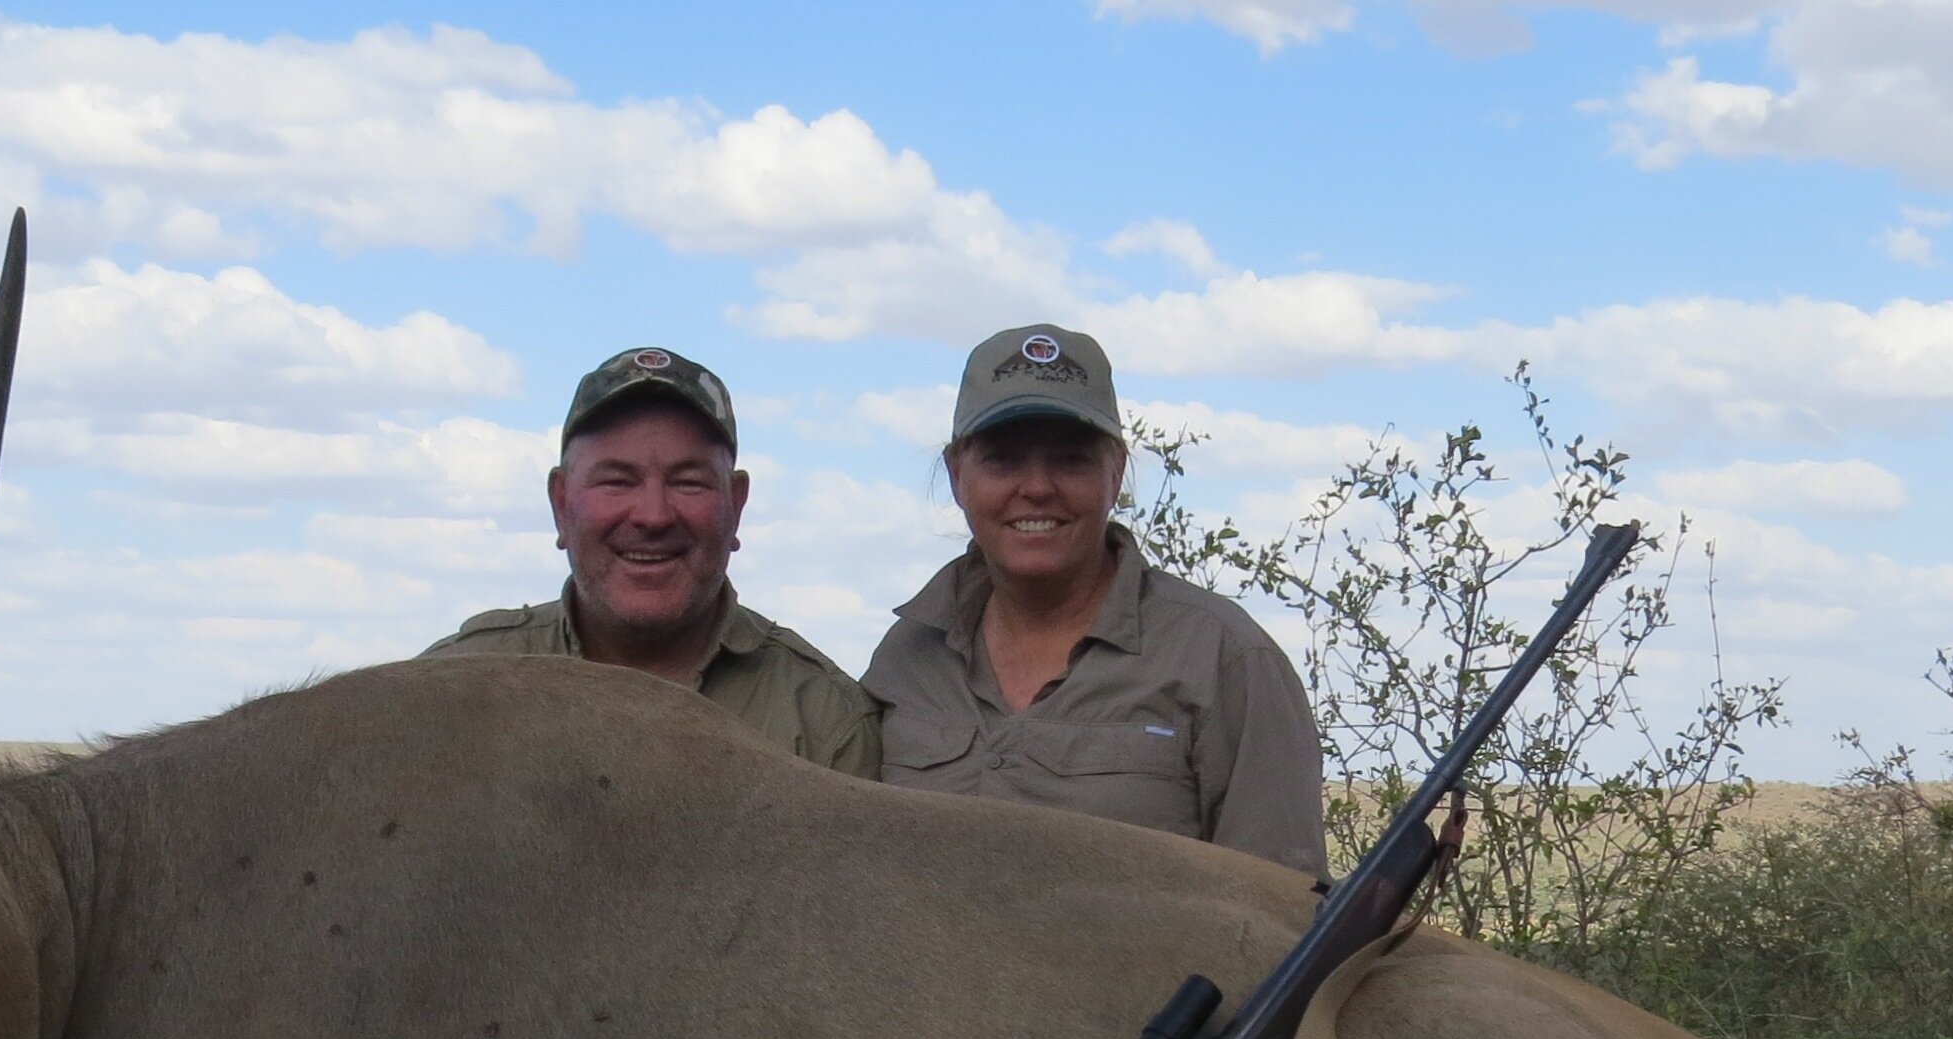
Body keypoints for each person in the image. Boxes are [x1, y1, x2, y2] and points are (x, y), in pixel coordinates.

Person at [864, 323, 1324, 874]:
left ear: (1117, 471)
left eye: (1070, 459)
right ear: (957, 474)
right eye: (1003, 459)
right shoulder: (907, 657)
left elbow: (1287, 914)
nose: (1036, 487)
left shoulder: (1226, 659)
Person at [424, 347, 880, 778]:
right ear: (560, 505)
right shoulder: (448, 690)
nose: (654, 515)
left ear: (736, 506)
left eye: (689, 483)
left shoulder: (824, 721)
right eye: (617, 481)